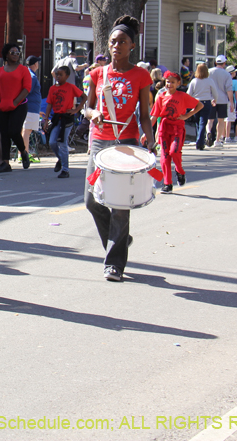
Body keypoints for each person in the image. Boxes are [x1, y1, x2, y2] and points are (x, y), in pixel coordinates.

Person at [83, 15, 154, 282]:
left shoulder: (141, 75)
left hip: (128, 143)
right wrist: (93, 114)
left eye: (122, 41)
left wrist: (150, 139)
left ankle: (114, 263)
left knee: (120, 204)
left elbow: (145, 114)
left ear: (131, 46)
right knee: (92, 201)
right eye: (113, 41)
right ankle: (119, 241)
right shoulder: (97, 74)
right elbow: (86, 107)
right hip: (101, 141)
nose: (116, 46)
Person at [150, 72, 201, 193]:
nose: (170, 84)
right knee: (165, 156)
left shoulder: (182, 96)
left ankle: (180, 171)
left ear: (178, 83)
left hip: (177, 128)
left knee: (174, 152)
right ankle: (167, 183)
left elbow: (199, 105)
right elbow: (154, 116)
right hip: (164, 128)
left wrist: (187, 115)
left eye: (173, 82)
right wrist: (146, 133)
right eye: (168, 81)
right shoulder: (161, 97)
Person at [0, 43, 32, 172]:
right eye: (12, 52)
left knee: (14, 131)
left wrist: (15, 102)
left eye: (17, 52)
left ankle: (24, 153)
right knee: (4, 135)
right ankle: (5, 163)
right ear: (6, 54)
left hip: (19, 105)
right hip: (3, 106)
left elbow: (27, 88)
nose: (15, 55)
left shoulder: (23, 69)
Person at [46, 65, 84, 179]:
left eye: (61, 75)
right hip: (57, 118)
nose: (58, 76)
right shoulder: (52, 88)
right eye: (57, 74)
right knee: (52, 142)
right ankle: (60, 159)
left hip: (67, 118)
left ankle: (65, 170)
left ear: (67, 76)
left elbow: (84, 97)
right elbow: (49, 104)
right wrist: (45, 119)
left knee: (62, 143)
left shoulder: (71, 87)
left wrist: (76, 109)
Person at [187, 63, 219, 150]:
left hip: (196, 102)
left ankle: (199, 139)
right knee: (203, 122)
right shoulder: (209, 81)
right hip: (206, 102)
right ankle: (200, 142)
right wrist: (215, 99)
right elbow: (215, 93)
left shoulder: (194, 81)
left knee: (197, 122)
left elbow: (189, 94)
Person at [207, 55, 234, 148]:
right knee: (221, 120)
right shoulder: (227, 74)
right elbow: (229, 89)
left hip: (211, 98)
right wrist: (231, 103)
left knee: (210, 120)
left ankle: (208, 132)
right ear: (224, 63)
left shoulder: (209, 72)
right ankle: (217, 140)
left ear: (215, 63)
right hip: (222, 99)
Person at [21, 55, 43, 164]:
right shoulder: (32, 77)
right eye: (37, 62)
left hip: (30, 107)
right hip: (30, 107)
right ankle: (25, 154)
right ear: (35, 64)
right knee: (27, 130)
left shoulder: (28, 74)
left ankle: (24, 153)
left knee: (26, 130)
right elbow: (27, 91)